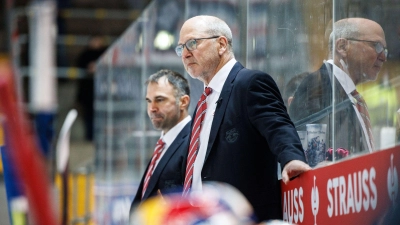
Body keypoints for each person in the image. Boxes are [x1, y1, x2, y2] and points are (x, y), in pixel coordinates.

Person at [176, 15, 310, 222]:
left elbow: (278, 125)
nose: (185, 53)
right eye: (181, 48)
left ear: (221, 44)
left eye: (192, 43)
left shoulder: (249, 83)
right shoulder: (202, 105)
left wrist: (292, 158)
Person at [289, 18, 387, 159]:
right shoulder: (318, 85)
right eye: (376, 46)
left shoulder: (345, 93)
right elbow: (308, 159)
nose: (383, 57)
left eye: (385, 50)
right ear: (342, 46)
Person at [130, 69, 191, 210]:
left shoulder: (193, 143)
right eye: (149, 101)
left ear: (183, 102)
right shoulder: (164, 144)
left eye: (160, 100)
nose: (152, 108)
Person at [76, 35, 108, 141]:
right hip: (88, 92)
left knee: (101, 116)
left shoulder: (105, 54)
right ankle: (89, 137)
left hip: (102, 92)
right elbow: (81, 67)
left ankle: (99, 137)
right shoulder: (85, 55)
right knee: (88, 116)